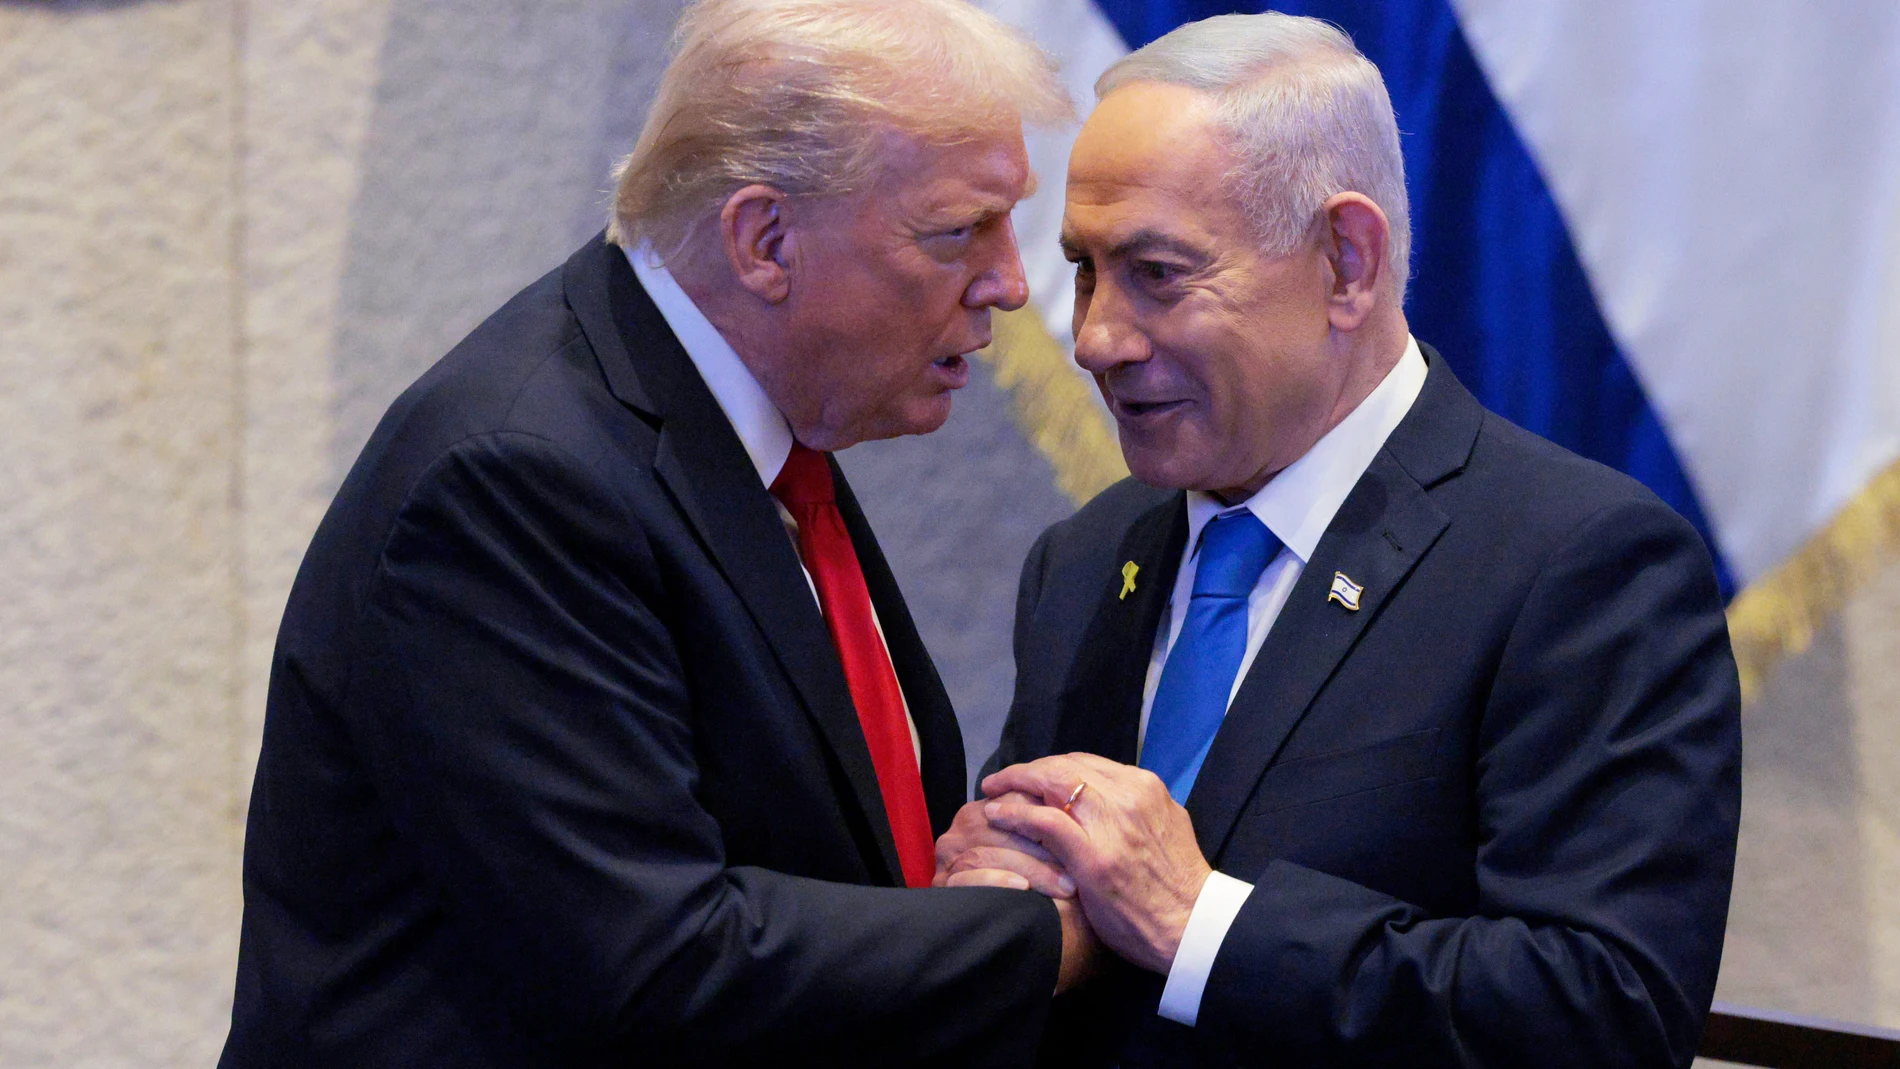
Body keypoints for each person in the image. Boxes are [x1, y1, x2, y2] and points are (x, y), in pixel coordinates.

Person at [219, 1, 1092, 1065]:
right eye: (958, 231)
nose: (1008, 280)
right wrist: (1042, 936)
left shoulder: (751, 428)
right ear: (764, 239)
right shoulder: (515, 479)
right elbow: (658, 960)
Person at [936, 13, 1742, 1068]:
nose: (1096, 338)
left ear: (1346, 262)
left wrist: (1200, 925)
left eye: (1158, 273)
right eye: (1085, 269)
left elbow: (1604, 1015)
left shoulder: (1580, 568)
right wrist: (997, 901)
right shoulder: (1086, 562)